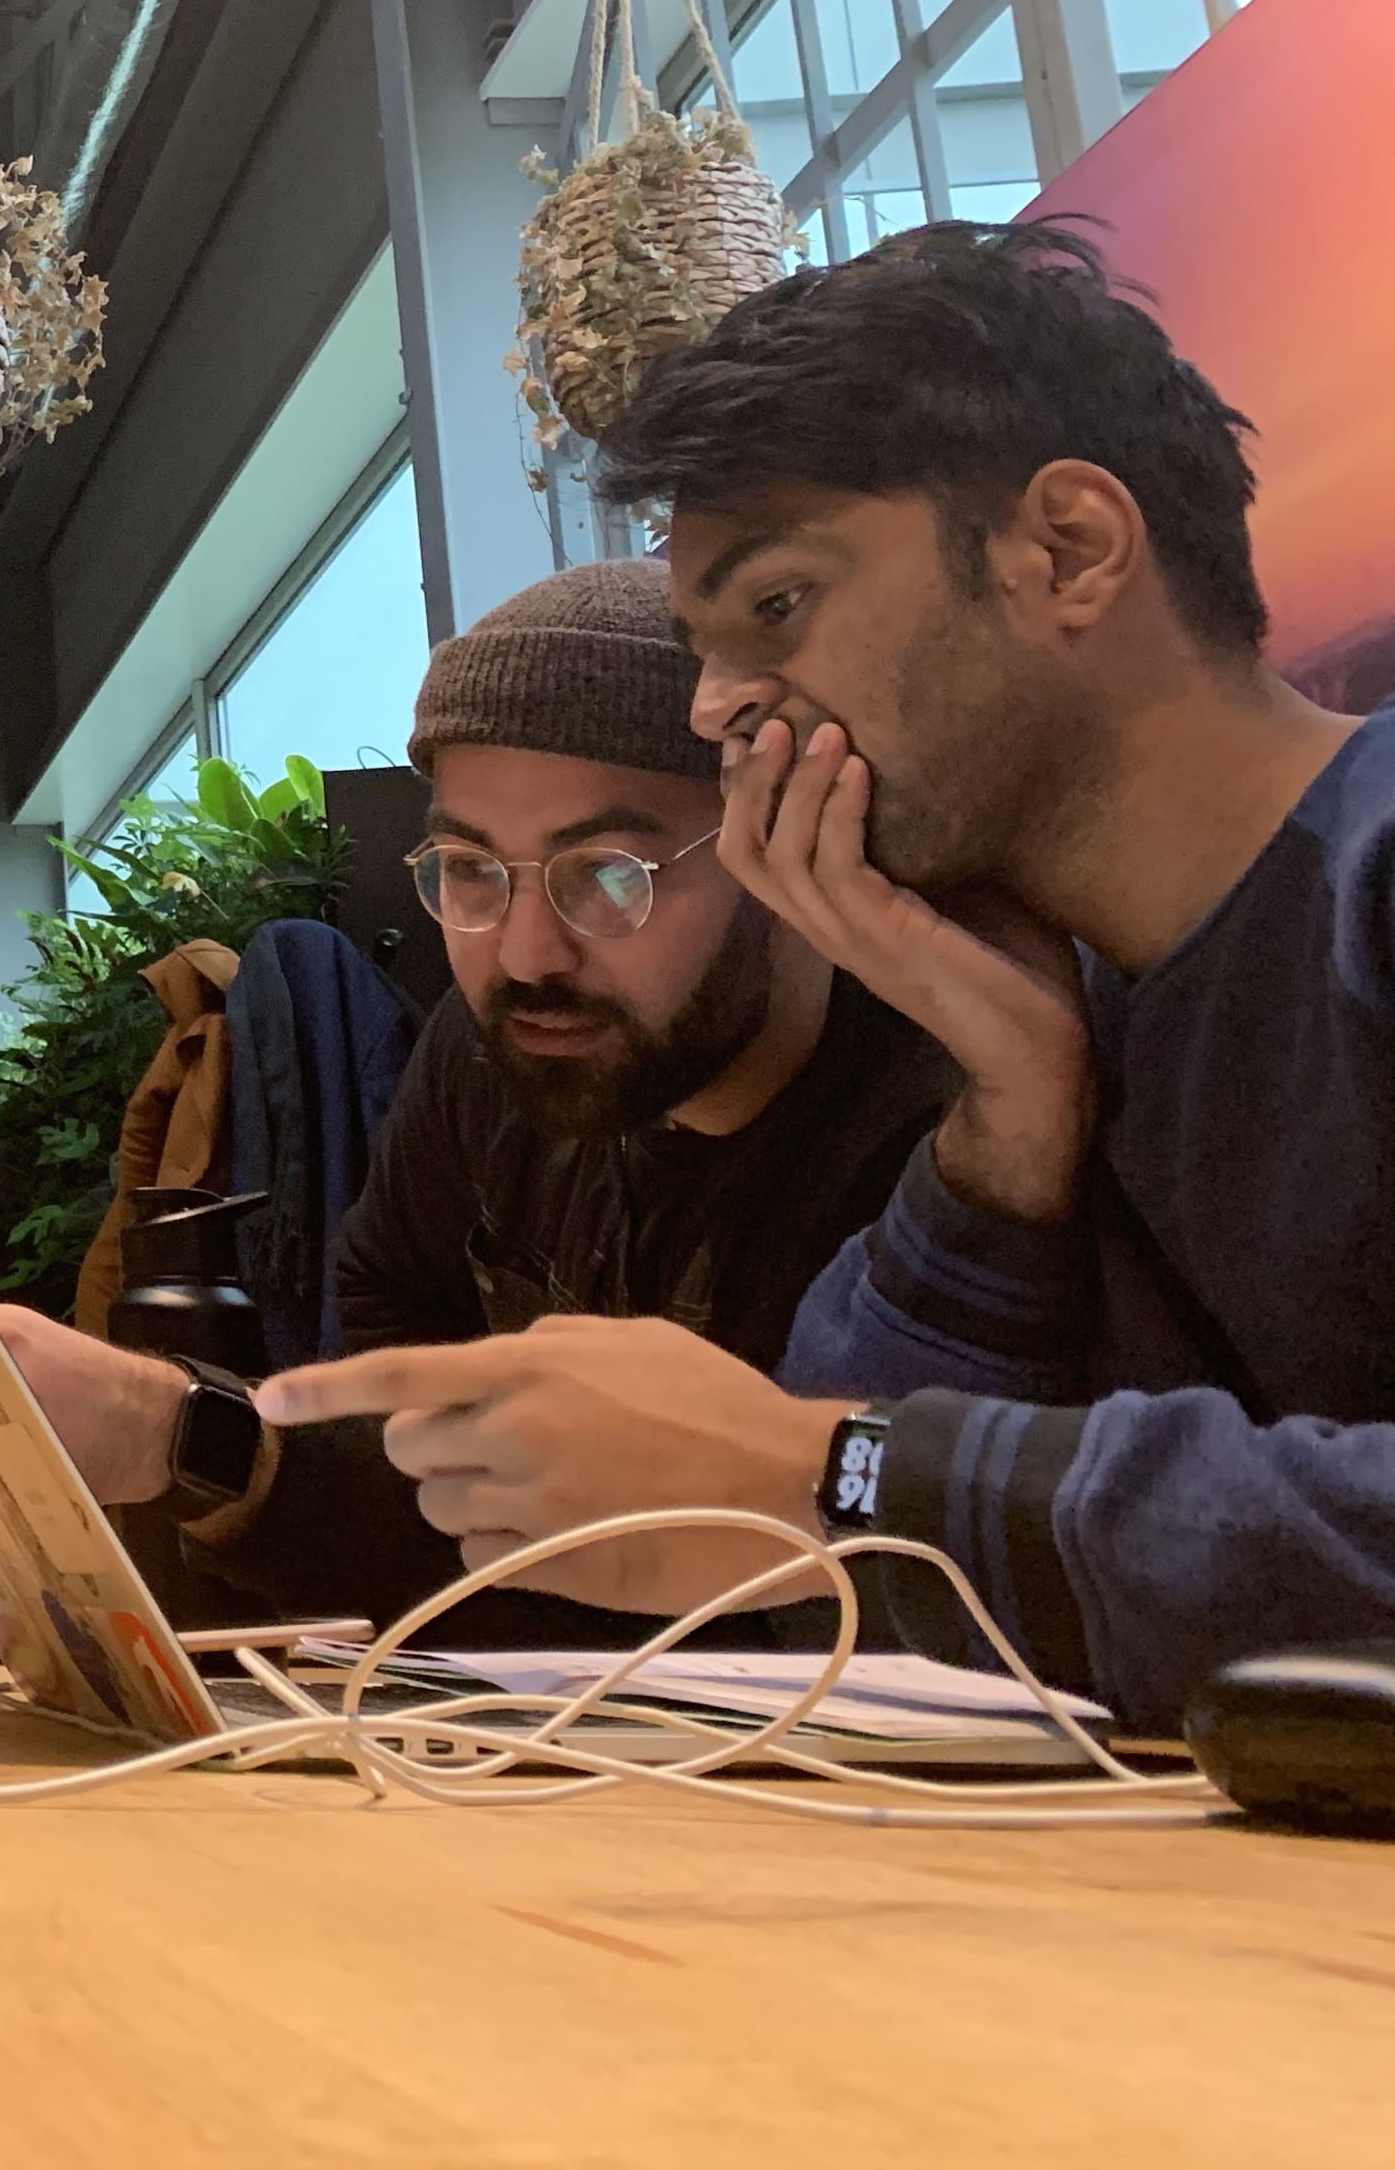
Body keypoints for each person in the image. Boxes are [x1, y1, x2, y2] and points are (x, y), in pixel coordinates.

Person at [258, 223, 1390, 1728]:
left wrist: (831, 1475)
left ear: (1068, 550)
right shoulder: (1055, 1013)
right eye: (706, 647)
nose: (722, 709)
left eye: (777, 608)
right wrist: (1002, 1128)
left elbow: (823, 1495)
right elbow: (852, 1603)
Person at [0, 560, 951, 1635]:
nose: (528, 955)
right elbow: (419, 1417)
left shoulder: (938, 1134)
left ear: (784, 843)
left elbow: (827, 1598)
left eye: (611, 874)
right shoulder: (492, 1055)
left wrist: (198, 1443)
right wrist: (161, 1429)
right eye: (471, 871)